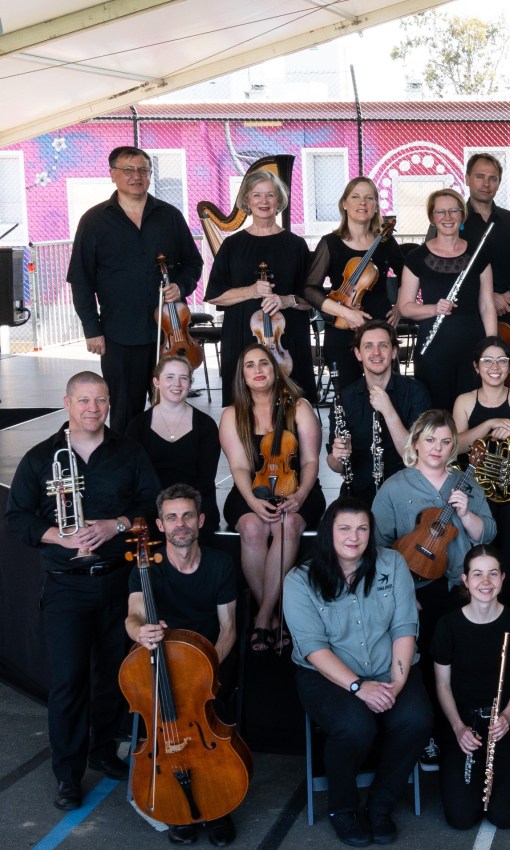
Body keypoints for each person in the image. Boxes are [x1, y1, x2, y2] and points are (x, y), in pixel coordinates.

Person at [5, 371, 160, 810]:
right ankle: (68, 773)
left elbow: (151, 503)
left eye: (101, 400)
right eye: (85, 400)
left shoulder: (129, 452)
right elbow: (18, 517)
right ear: (67, 403)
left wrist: (116, 524)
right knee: (69, 681)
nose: (94, 408)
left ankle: (102, 750)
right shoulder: (40, 458)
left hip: (116, 580)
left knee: (114, 673)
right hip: (66, 587)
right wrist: (60, 535)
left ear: (110, 403)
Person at [284, 500, 431, 848]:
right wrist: (358, 687)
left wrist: (395, 684)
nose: (355, 536)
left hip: (389, 666)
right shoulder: (299, 580)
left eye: (362, 528)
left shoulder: (392, 564)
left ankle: (381, 805)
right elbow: (312, 647)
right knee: (355, 726)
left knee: (417, 720)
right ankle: (343, 808)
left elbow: (404, 626)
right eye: (345, 529)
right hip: (327, 676)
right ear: (328, 533)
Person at [124, 484, 240, 846]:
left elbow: (228, 629)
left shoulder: (220, 565)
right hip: (161, 668)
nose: (180, 524)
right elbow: (133, 617)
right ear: (160, 525)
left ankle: (219, 807)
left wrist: (203, 674)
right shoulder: (146, 569)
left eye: (187, 515)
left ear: (201, 520)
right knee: (164, 726)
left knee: (211, 720)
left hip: (206, 668)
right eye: (172, 517)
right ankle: (174, 805)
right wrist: (141, 633)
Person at [68, 145, 202, 429]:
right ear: (113, 175)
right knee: (124, 413)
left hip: (169, 333)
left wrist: (182, 285)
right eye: (128, 170)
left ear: (150, 175)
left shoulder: (169, 216)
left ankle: (164, 471)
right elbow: (80, 279)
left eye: (143, 170)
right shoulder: (93, 221)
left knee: (170, 409)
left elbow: (193, 263)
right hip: (119, 334)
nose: (136, 176)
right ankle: (126, 471)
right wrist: (92, 330)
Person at [373, 409, 496, 712]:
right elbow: (377, 547)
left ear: (453, 446)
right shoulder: (394, 487)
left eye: (444, 442)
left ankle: (463, 724)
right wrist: (402, 595)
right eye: (430, 440)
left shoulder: (466, 483)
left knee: (463, 659)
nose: (437, 449)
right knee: (423, 659)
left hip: (460, 586)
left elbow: (488, 534)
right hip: (416, 590)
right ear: (415, 443)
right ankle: (426, 733)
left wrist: (467, 514)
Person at [218, 343, 325, 653]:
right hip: (252, 490)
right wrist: (252, 501)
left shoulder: (299, 407)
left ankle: (262, 616)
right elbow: (238, 466)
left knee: (287, 524)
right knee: (252, 527)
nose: (258, 370)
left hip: (298, 488)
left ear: (275, 368)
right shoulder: (231, 415)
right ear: (242, 375)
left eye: (263, 363)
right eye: (250, 366)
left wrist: (302, 494)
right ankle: (276, 615)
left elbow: (310, 462)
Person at [433, 544, 510, 830]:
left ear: (503, 578)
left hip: (504, 721)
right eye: (477, 574)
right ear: (465, 580)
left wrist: (508, 716)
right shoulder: (447, 626)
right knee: (461, 818)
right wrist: (457, 728)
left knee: (504, 817)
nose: (486, 582)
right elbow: (442, 685)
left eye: (493, 574)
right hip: (463, 722)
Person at [204, 170, 316, 406]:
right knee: (244, 409)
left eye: (270, 195)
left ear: (279, 201)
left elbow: (313, 298)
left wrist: (287, 301)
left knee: (293, 407)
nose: (263, 202)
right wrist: (252, 291)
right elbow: (215, 296)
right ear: (247, 200)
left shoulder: (296, 245)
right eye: (257, 195)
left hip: (287, 338)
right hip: (242, 337)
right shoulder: (232, 245)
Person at [452, 336, 510, 593]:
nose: (495, 367)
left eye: (502, 361)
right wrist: (489, 425)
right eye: (487, 361)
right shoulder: (465, 401)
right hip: (477, 489)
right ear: (476, 366)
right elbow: (456, 446)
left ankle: (506, 588)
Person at [398, 188, 497, 410]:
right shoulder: (417, 257)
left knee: (471, 411)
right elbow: (405, 307)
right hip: (433, 350)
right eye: (440, 212)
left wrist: (492, 345)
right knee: (436, 415)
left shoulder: (478, 254)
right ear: (432, 217)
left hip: (472, 346)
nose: (447, 217)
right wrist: (434, 309)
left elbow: (487, 305)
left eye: (453, 211)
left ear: (462, 216)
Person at [303, 176, 404, 391]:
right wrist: (345, 312)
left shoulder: (386, 242)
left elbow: (409, 276)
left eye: (369, 198)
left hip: (380, 328)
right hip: (341, 332)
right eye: (355, 197)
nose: (363, 203)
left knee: (387, 395)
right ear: (344, 204)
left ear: (376, 206)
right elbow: (310, 289)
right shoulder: (330, 243)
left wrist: (399, 308)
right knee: (347, 397)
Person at [326, 321, 431, 506]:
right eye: (368, 346)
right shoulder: (345, 399)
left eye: (383, 345)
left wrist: (388, 410)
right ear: (358, 354)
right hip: (358, 491)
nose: (376, 353)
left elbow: (416, 457)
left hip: (406, 491)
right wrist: (337, 456)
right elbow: (336, 467)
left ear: (394, 352)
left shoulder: (415, 391)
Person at [123, 355, 221, 527]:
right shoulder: (137, 426)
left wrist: (180, 512)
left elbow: (205, 480)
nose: (177, 384)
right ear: (156, 382)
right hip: (153, 508)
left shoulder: (206, 425)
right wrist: (163, 511)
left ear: (190, 383)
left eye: (183, 378)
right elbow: (133, 478)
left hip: (195, 506)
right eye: (169, 377)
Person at [462, 153, 510, 368]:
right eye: (480, 176)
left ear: (499, 182)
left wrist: (507, 296)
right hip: (467, 312)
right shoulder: (453, 221)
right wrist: (487, 296)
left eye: (493, 178)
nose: (486, 184)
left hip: (507, 311)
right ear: (467, 178)